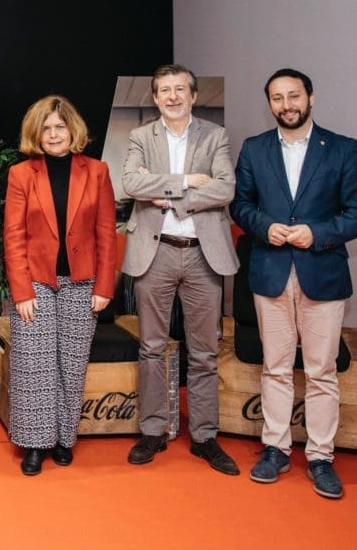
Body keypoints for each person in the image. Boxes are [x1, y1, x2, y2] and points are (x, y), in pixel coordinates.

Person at [231, 68, 357, 499]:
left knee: (321, 372)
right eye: (277, 98)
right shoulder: (254, 149)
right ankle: (275, 449)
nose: (286, 105)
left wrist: (317, 233)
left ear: (311, 98)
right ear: (269, 103)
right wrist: (263, 227)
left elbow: (355, 212)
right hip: (270, 273)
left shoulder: (343, 149)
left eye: (294, 96)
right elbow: (240, 205)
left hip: (322, 274)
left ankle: (321, 456)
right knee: (276, 368)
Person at [121, 63, 240, 474]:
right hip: (155, 253)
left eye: (179, 90)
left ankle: (205, 437)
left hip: (203, 254)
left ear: (193, 96)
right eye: (164, 90)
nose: (172, 97)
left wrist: (168, 194)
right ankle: (152, 430)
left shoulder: (215, 135)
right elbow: (132, 184)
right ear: (155, 98)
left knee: (204, 352)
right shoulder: (141, 136)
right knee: (151, 347)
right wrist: (189, 180)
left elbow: (226, 187)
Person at [3, 95, 116, 476]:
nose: (53, 135)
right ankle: (36, 443)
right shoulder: (21, 174)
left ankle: (64, 439)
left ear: (73, 130)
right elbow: (13, 236)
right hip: (35, 282)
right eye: (46, 129)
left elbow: (106, 232)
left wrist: (104, 286)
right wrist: (21, 290)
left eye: (60, 127)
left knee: (72, 363)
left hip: (83, 284)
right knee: (33, 364)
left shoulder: (97, 171)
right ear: (36, 134)